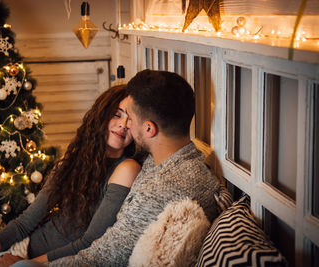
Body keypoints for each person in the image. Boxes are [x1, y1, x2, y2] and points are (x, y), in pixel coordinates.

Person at [13, 69, 219, 267]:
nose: (125, 125)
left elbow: (99, 259)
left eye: (130, 117)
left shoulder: (160, 190)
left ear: (149, 128)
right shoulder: (176, 161)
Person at [0, 85, 142, 267]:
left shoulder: (127, 168)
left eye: (130, 120)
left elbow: (90, 243)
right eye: (117, 115)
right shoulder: (75, 159)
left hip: (52, 262)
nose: (123, 124)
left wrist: (23, 263)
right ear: (101, 116)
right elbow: (25, 222)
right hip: (26, 249)